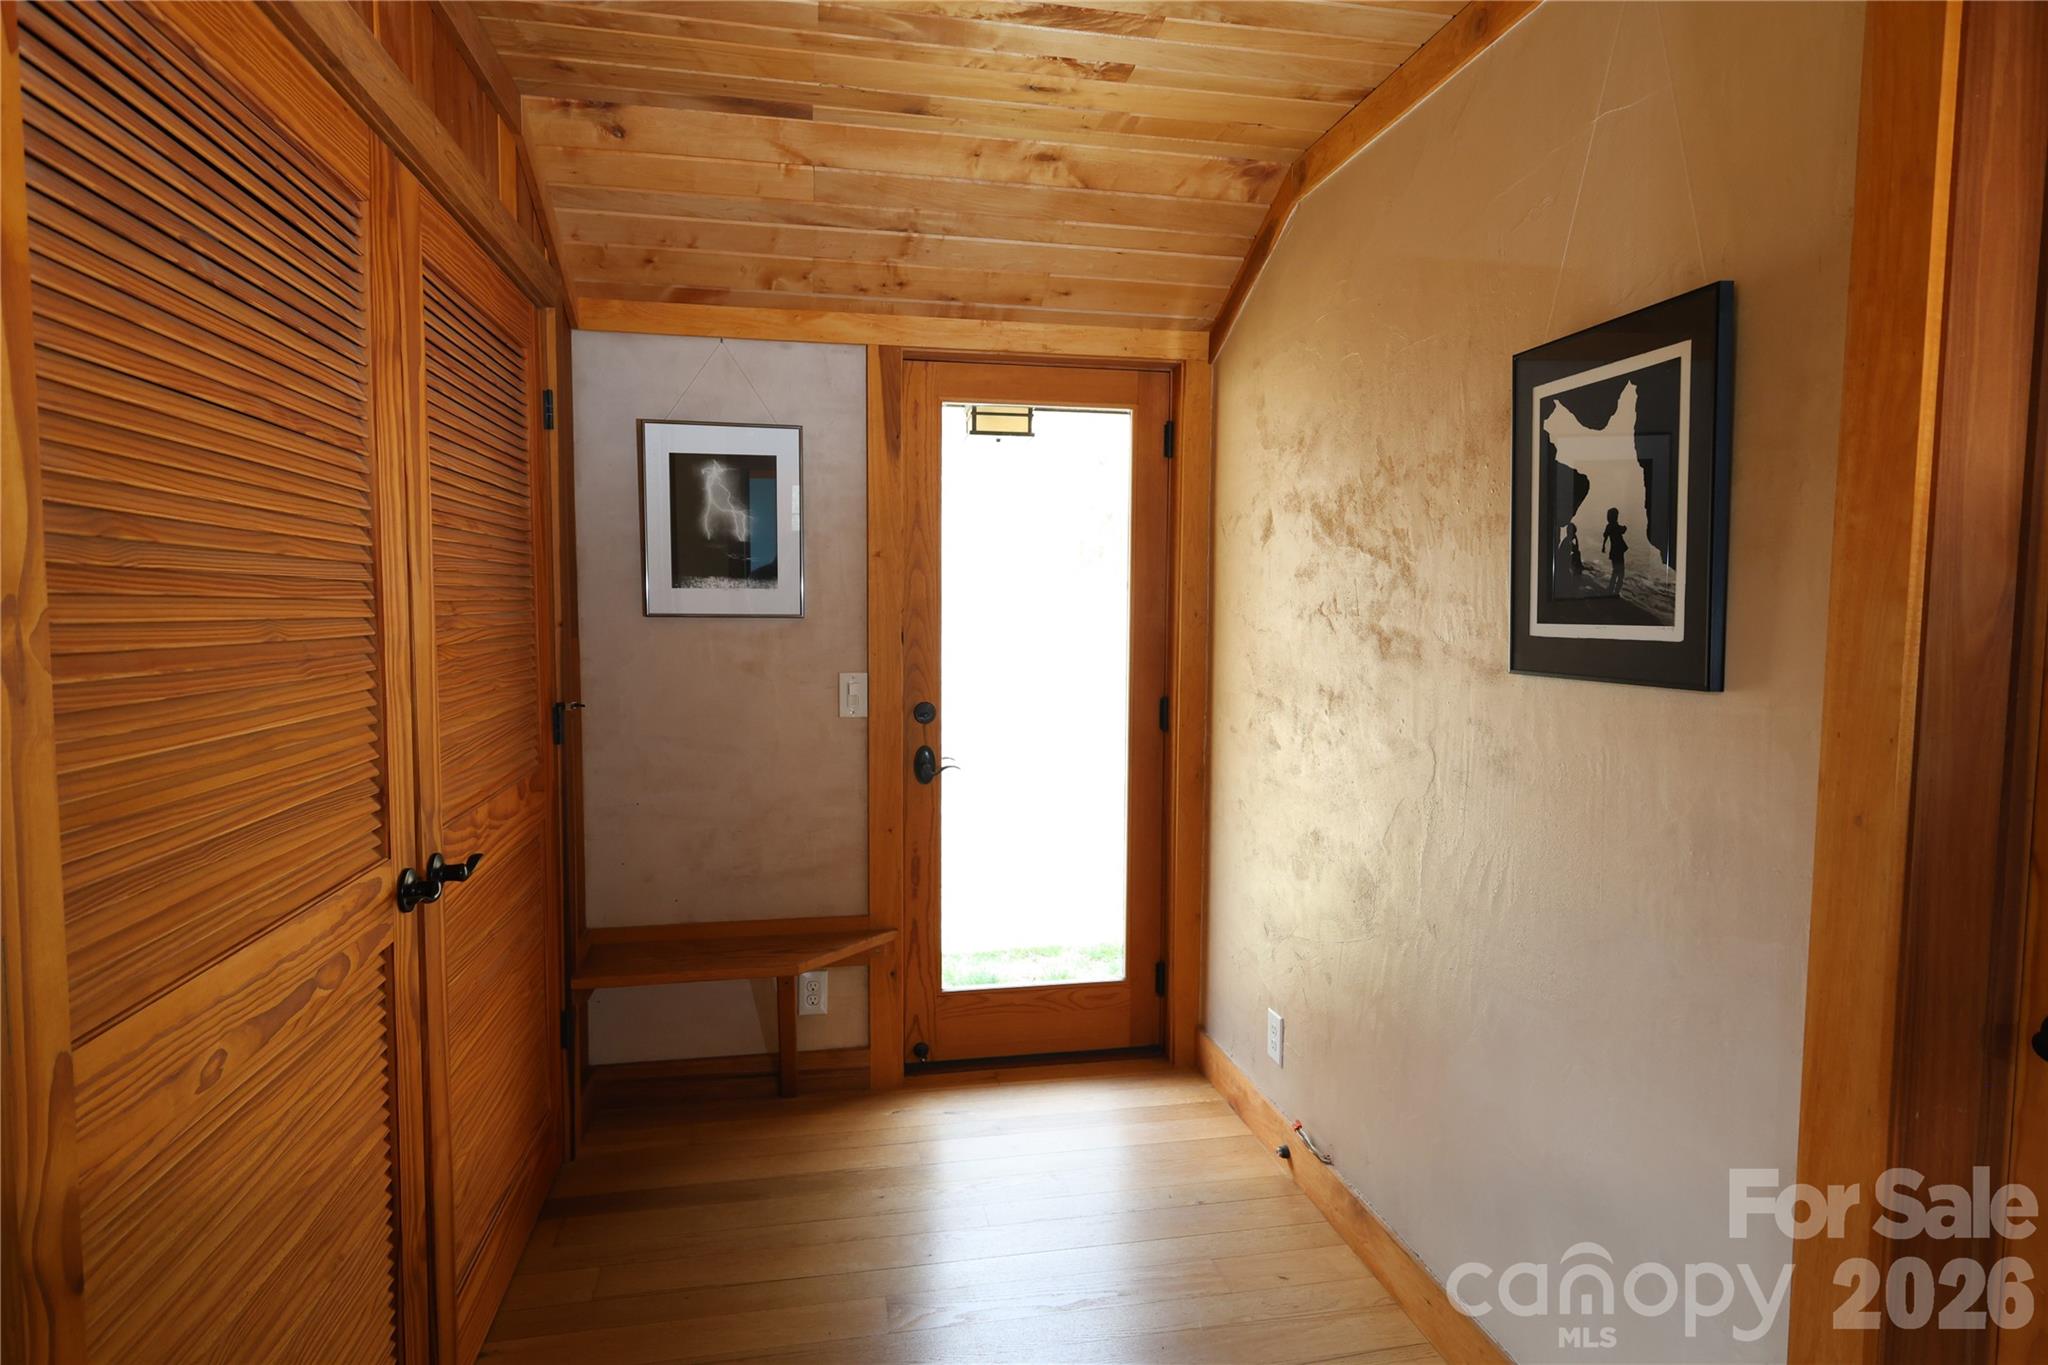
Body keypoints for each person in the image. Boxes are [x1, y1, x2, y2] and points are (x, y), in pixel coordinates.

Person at [1601, 507, 1628, 595]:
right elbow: (1623, 530)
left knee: (1615, 571)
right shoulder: (1615, 526)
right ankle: (1616, 591)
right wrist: (1625, 527)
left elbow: (1605, 536)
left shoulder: (1609, 526)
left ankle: (1611, 589)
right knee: (1621, 573)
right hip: (1619, 551)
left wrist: (1603, 546)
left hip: (1613, 551)